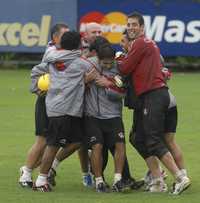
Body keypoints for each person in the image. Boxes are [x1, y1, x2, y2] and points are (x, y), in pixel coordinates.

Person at [119, 11, 191, 194]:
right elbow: (158, 69)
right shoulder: (146, 43)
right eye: (129, 24)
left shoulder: (141, 42)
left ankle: (180, 177)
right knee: (138, 138)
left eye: (134, 24)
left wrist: (118, 60)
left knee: (154, 140)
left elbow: (125, 68)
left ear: (142, 27)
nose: (131, 27)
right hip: (153, 96)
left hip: (154, 95)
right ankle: (158, 180)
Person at [33, 31, 98, 192]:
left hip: (58, 108)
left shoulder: (52, 58)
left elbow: (35, 70)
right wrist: (85, 80)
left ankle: (51, 168)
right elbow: (95, 70)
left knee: (79, 140)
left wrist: (36, 88)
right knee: (53, 145)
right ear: (78, 45)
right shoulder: (81, 63)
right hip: (65, 109)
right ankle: (41, 180)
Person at [18, 23, 69, 188]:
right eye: (64, 35)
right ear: (55, 38)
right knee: (42, 140)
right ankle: (25, 174)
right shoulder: (52, 52)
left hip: (56, 101)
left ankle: (30, 170)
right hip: (46, 100)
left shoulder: (62, 51)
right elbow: (38, 72)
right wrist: (36, 89)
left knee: (51, 143)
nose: (67, 38)